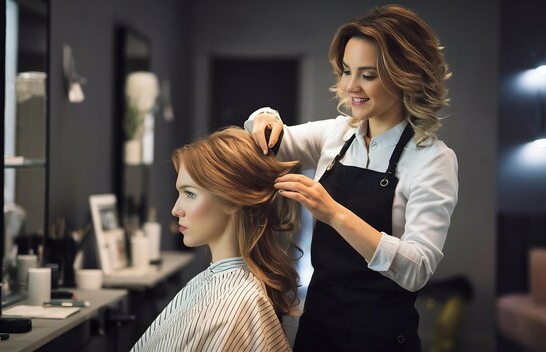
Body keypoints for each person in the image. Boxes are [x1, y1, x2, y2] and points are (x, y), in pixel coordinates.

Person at [244, 4, 458, 351]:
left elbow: (417, 269)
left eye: (367, 74)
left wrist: (334, 214)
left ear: (405, 74)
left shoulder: (432, 159)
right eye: (346, 71)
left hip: (380, 339)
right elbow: (267, 140)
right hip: (317, 331)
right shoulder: (338, 134)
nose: (350, 86)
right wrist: (264, 117)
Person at [131, 126, 300, 352]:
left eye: (189, 194)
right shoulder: (224, 288)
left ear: (231, 200)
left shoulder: (235, 305)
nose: (175, 209)